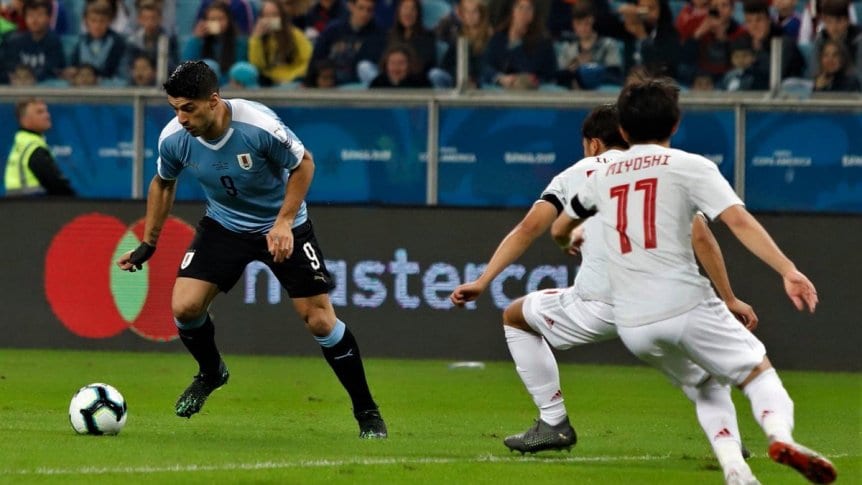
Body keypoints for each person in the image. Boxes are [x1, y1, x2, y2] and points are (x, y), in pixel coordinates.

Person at [551, 78, 837, 484]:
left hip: (633, 324)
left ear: (624, 131)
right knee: (758, 372)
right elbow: (736, 221)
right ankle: (779, 435)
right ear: (675, 124)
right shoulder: (690, 167)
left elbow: (561, 227)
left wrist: (570, 238)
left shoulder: (602, 176)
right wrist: (787, 269)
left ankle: (737, 472)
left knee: (704, 383)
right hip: (684, 303)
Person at [450, 105, 758, 471]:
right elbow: (701, 236)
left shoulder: (577, 174)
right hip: (664, 305)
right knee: (701, 375)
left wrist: (483, 281)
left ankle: (553, 422)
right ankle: (732, 446)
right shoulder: (661, 173)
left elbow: (528, 229)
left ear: (594, 144)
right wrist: (729, 297)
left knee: (516, 317)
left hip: (599, 306)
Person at [114, 61, 387, 439]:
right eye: (175, 108)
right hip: (224, 225)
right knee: (185, 307)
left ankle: (367, 412)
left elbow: (304, 164)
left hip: (281, 224)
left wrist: (284, 222)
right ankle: (212, 372)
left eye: (188, 108)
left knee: (320, 320)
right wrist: (149, 242)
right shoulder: (174, 138)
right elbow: (163, 183)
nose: (181, 118)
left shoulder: (257, 126)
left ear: (213, 101)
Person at [4, 97, 75, 197]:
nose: (47, 115)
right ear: (24, 119)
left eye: (46, 111)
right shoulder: (34, 148)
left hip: (19, 206)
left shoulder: (22, 142)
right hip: (33, 206)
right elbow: (57, 185)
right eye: (40, 112)